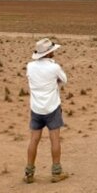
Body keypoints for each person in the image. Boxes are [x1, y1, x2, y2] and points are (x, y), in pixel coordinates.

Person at [24, 37, 69, 183]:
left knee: (34, 140)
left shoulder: (30, 66)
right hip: (52, 107)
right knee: (54, 139)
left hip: (36, 108)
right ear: (49, 53)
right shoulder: (54, 67)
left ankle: (29, 173)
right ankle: (56, 172)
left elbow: (31, 79)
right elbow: (64, 79)